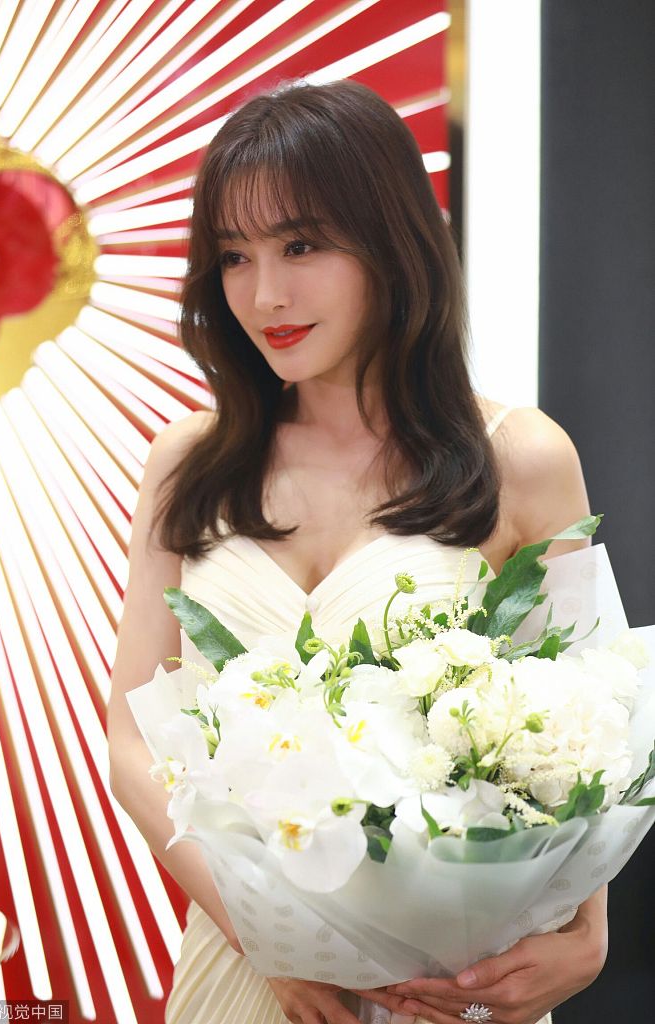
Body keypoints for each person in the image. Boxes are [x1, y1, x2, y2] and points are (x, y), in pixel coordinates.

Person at [107, 80, 608, 1024]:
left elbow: (592, 732)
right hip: (248, 977)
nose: (265, 294)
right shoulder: (189, 462)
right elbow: (130, 740)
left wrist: (588, 931)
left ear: (390, 240)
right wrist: (261, 935)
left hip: (450, 982)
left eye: (301, 245)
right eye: (234, 256)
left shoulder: (524, 459)